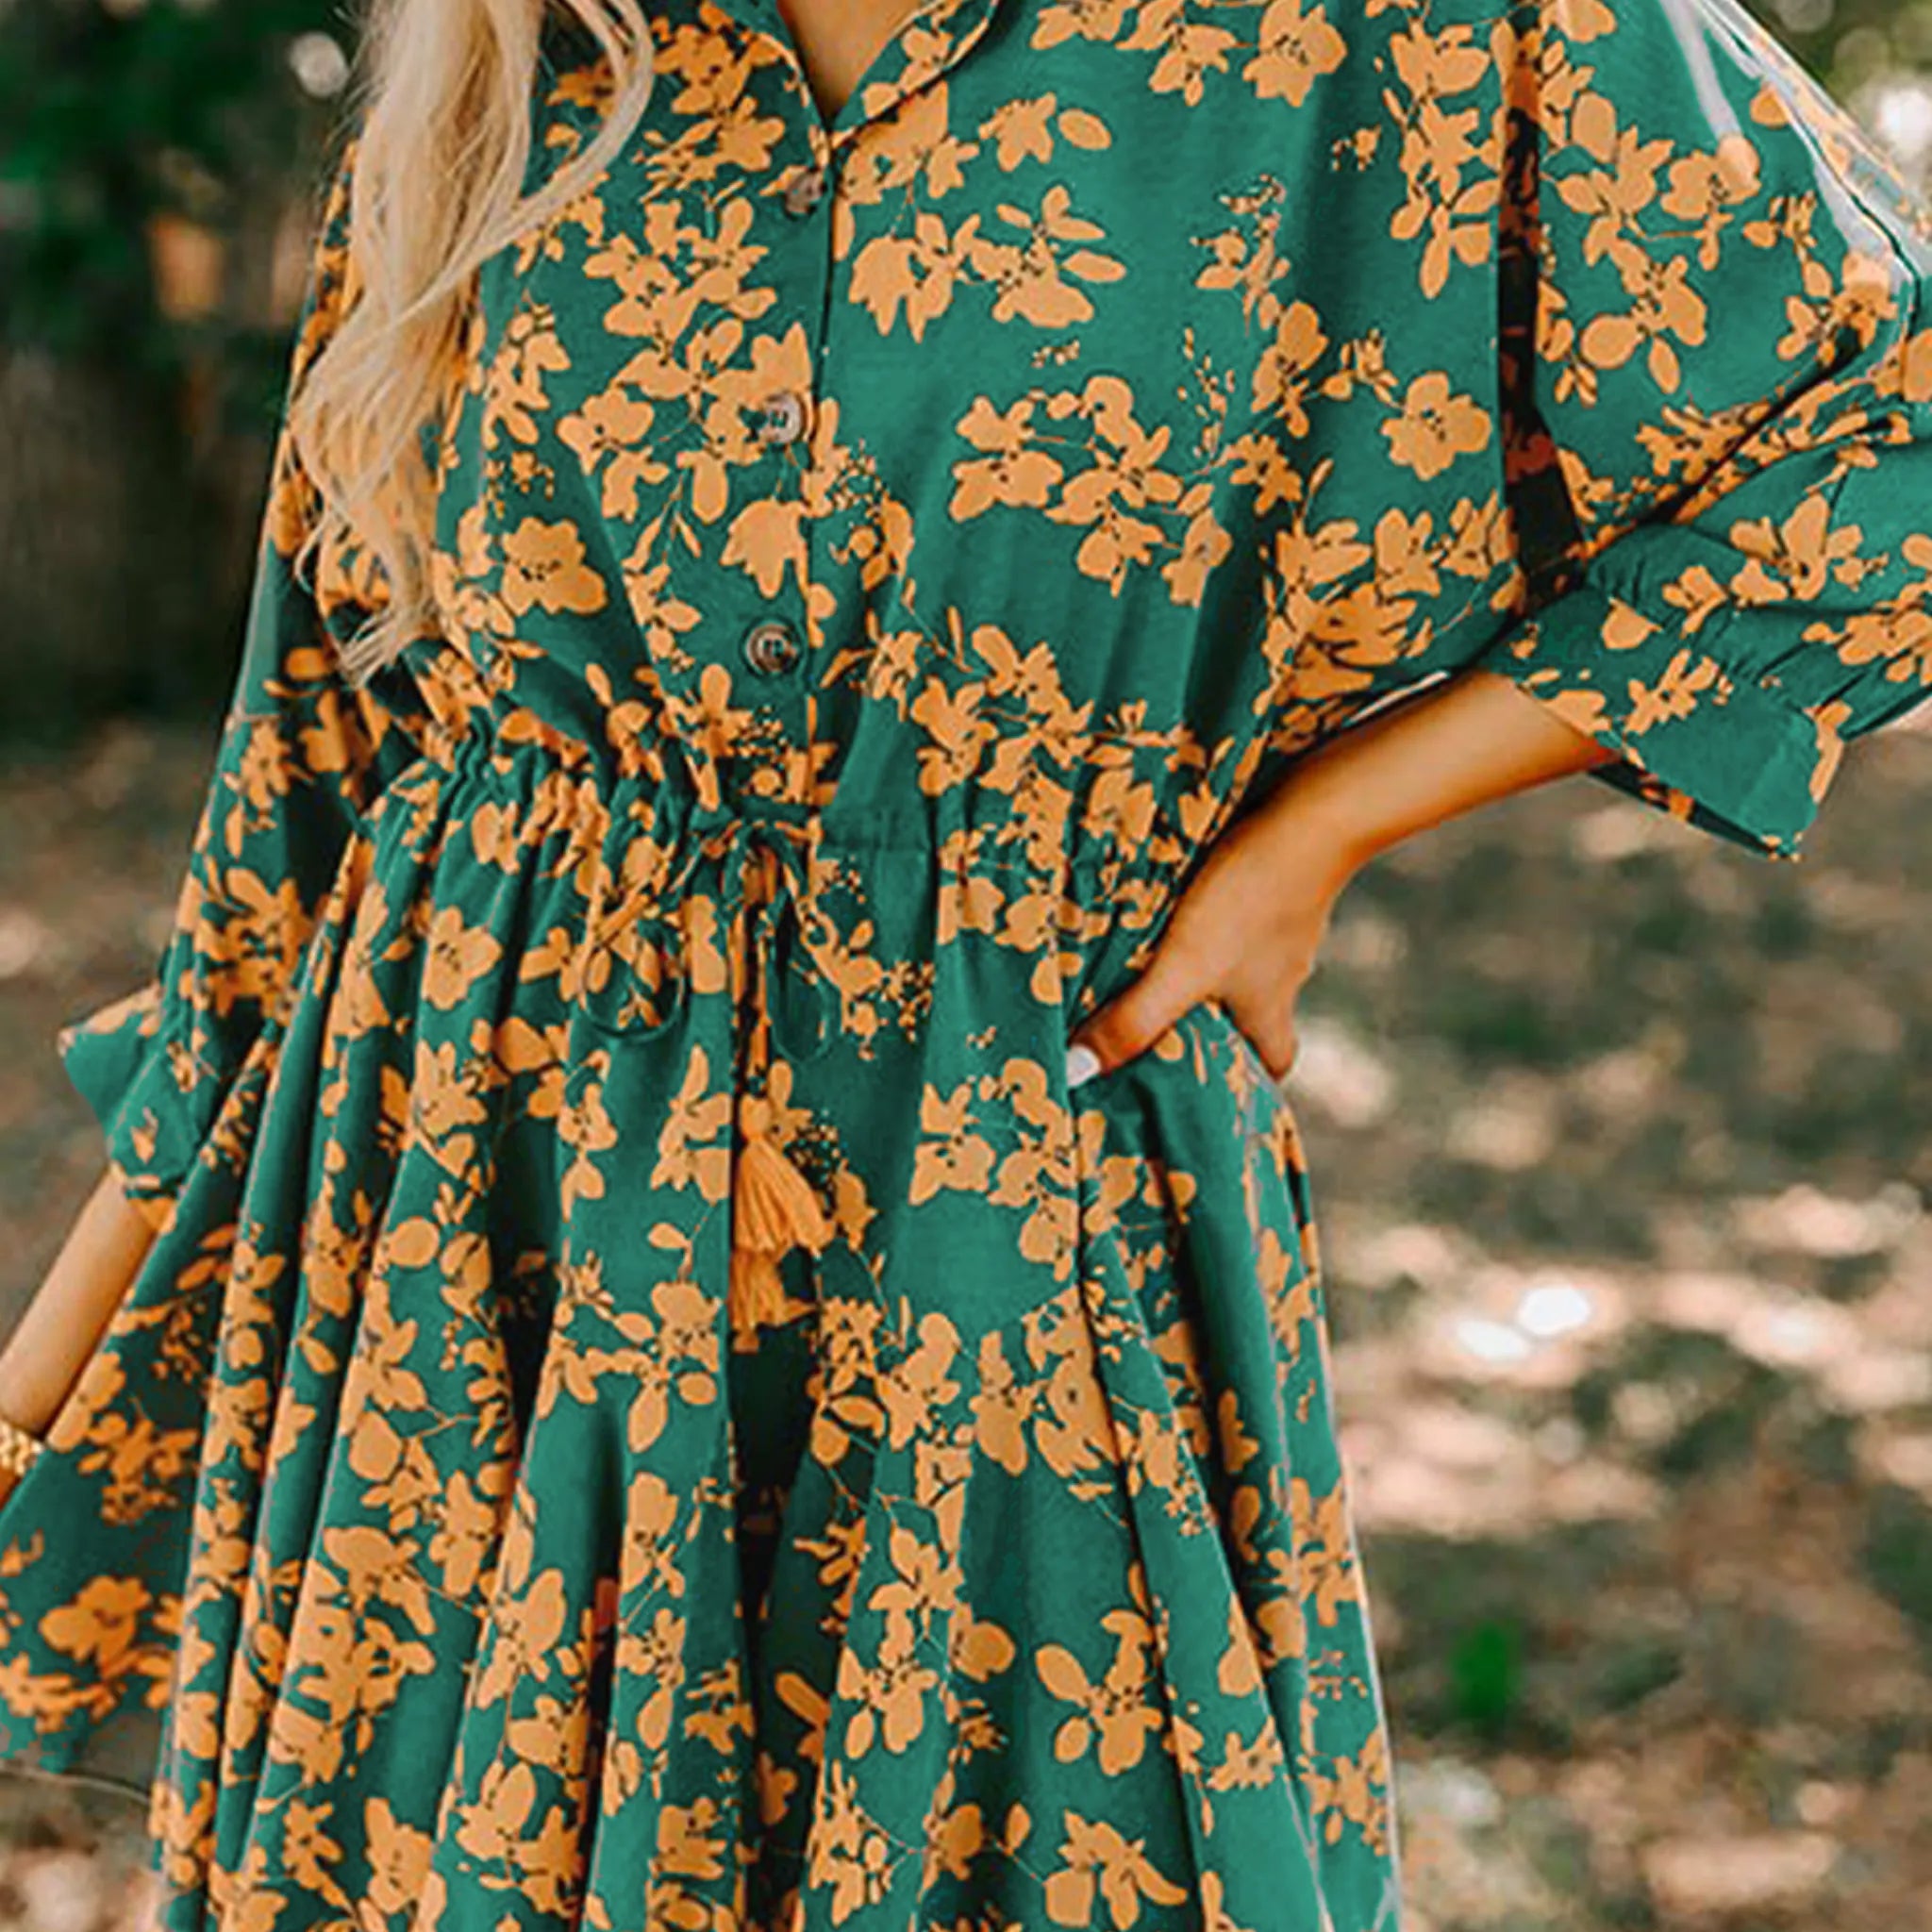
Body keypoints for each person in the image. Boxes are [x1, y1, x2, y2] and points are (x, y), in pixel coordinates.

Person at [1, 0, 1927, 1923]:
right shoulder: (510, 52)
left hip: (1000, 1223)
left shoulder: (1397, 36)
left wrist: (1326, 822)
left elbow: (1886, 441)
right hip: (478, 1267)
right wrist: (32, 1400)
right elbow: (308, 801)